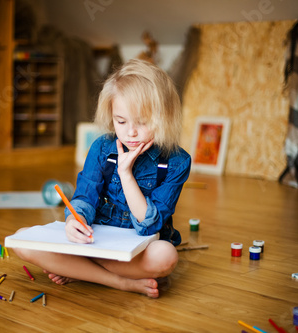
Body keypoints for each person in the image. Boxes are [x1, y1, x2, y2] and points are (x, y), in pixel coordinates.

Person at [13, 59, 191, 298]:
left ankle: (80, 270)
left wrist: (126, 175)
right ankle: (121, 282)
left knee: (165, 256)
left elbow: (150, 225)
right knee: (20, 239)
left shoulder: (177, 160)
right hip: (96, 240)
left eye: (142, 122)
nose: (131, 132)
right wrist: (73, 221)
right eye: (121, 121)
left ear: (164, 116)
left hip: (137, 247)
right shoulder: (101, 147)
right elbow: (84, 198)